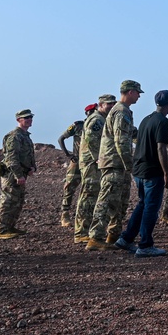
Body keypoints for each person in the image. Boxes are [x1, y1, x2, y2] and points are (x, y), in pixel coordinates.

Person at [116, 90, 168, 257]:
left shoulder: (146, 119)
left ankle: (126, 238)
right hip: (152, 172)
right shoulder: (163, 122)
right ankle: (145, 245)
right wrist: (167, 173)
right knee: (151, 208)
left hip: (139, 170)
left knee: (142, 204)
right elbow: (161, 148)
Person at [87, 80, 141, 250]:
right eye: (138, 92)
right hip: (115, 163)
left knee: (120, 202)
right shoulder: (120, 112)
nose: (139, 96)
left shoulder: (123, 111)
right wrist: (129, 164)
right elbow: (121, 140)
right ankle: (95, 238)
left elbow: (132, 135)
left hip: (119, 164)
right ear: (130, 92)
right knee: (107, 199)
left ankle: (113, 235)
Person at [74, 95, 116, 243]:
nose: (111, 106)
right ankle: (80, 232)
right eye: (108, 104)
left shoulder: (103, 118)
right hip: (91, 164)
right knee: (88, 196)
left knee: (94, 196)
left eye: (113, 104)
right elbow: (91, 139)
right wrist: (98, 157)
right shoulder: (97, 119)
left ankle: (86, 230)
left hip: (96, 163)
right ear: (101, 105)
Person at [0, 109, 37, 239]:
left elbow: (28, 154)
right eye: (26, 118)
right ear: (18, 120)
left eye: (30, 117)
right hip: (12, 174)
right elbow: (11, 158)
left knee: (17, 201)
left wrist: (32, 167)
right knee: (8, 201)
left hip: (22, 173)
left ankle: (10, 226)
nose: (29, 120)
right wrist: (18, 175)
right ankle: (2, 230)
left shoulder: (25, 135)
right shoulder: (14, 136)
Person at [57, 104, 95, 227]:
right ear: (87, 114)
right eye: (91, 112)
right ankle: (65, 214)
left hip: (92, 162)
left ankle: (85, 216)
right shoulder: (78, 126)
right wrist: (68, 154)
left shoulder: (99, 125)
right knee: (69, 187)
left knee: (90, 189)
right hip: (77, 161)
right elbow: (61, 139)